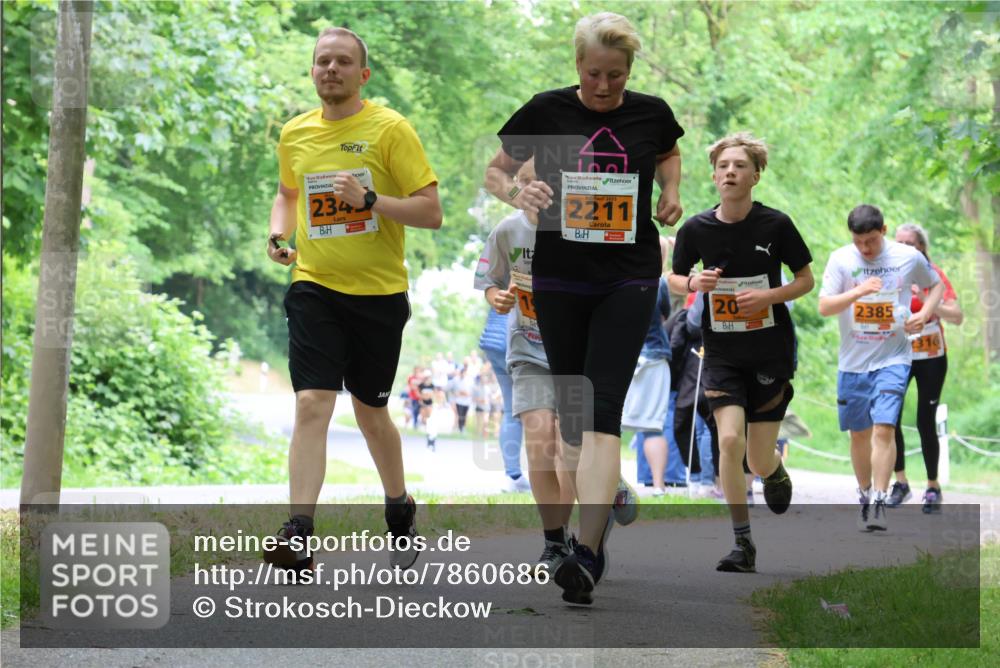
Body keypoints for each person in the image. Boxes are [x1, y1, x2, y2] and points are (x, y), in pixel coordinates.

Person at [485, 12, 683, 604]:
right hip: (560, 281)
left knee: (600, 412)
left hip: (627, 279)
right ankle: (594, 522)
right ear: (578, 66)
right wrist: (520, 190)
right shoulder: (545, 112)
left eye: (616, 77)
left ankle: (587, 554)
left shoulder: (650, 112)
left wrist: (670, 191)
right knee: (573, 416)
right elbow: (495, 172)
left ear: (630, 73)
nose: (604, 87)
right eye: (595, 74)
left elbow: (669, 153)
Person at [263, 27, 442, 572]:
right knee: (313, 402)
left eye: (343, 62)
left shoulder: (390, 129)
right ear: (313, 71)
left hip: (379, 294)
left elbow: (430, 211)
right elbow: (287, 194)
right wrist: (278, 234)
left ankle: (399, 505)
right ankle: (299, 531)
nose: (331, 70)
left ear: (363, 75)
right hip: (314, 285)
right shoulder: (295, 134)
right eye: (322, 62)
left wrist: (369, 199)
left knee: (372, 413)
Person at [476, 159, 633, 581]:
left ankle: (596, 517)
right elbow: (488, 278)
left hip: (577, 355)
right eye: (524, 181)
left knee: (571, 451)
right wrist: (496, 297)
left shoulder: (583, 230)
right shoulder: (507, 231)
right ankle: (553, 540)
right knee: (539, 437)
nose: (533, 189)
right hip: (528, 351)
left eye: (542, 181)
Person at [669, 132, 814, 573]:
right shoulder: (695, 228)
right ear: (714, 175)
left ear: (756, 175)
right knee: (729, 440)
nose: (730, 171)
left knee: (756, 456)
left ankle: (773, 471)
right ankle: (742, 543)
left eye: (739, 165)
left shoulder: (776, 225)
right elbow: (674, 278)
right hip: (721, 352)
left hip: (769, 352)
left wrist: (769, 297)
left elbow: (805, 280)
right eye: (723, 166)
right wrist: (695, 284)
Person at [819, 204, 943, 532]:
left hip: (894, 357)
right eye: (859, 241)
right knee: (859, 433)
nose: (865, 249)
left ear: (884, 231)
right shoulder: (841, 259)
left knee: (884, 428)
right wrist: (858, 291)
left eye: (871, 241)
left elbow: (936, 285)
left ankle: (879, 499)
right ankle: (863, 492)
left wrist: (925, 313)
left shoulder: (907, 256)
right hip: (853, 362)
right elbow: (824, 306)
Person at [887, 223, 962, 513]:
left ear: (922, 247)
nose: (904, 248)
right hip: (898, 352)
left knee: (924, 420)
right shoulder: (888, 273)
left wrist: (930, 304)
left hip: (931, 354)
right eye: (899, 243)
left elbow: (957, 316)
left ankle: (932, 487)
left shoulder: (934, 274)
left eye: (910, 243)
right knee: (888, 416)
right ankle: (901, 482)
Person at [622, 237, 673, 495]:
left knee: (609, 425)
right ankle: (659, 486)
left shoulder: (616, 280)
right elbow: (664, 314)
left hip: (623, 357)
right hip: (654, 357)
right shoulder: (660, 283)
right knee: (653, 425)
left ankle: (609, 481)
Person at [478, 308, 529, 492]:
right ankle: (540, 476)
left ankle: (513, 476)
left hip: (493, 338)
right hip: (515, 337)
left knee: (511, 411)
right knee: (536, 409)